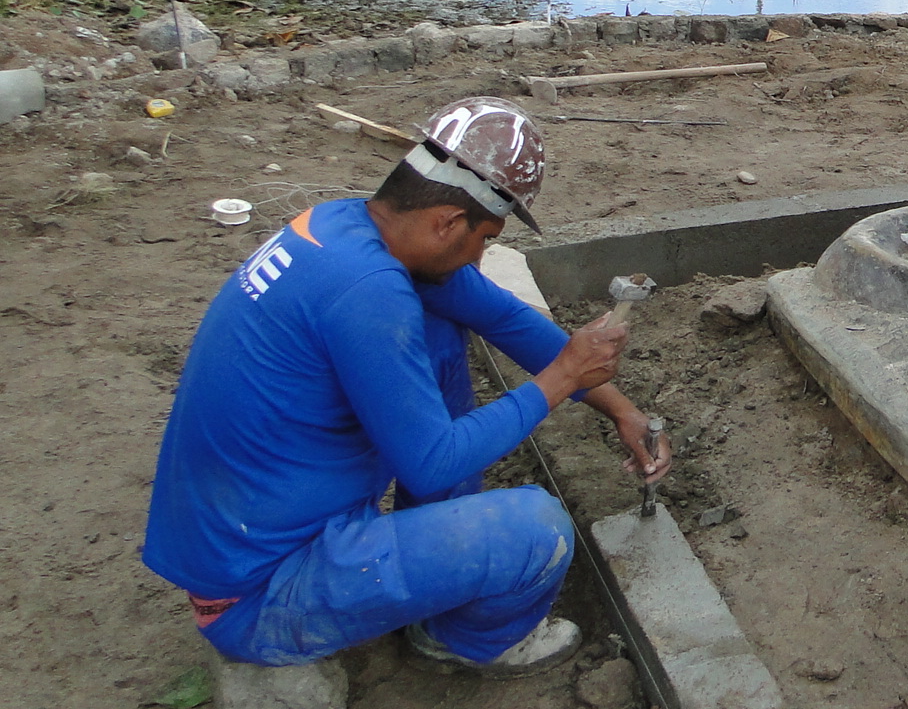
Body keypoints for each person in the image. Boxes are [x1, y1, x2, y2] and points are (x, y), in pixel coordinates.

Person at [142, 98, 669, 676]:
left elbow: (504, 319)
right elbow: (432, 463)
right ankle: (461, 638)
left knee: (442, 331)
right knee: (538, 532)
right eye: (485, 239)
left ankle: (443, 558)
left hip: (254, 530)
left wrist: (621, 409)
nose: (479, 256)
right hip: (262, 592)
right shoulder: (369, 291)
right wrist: (563, 375)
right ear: (446, 221)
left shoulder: (342, 227)